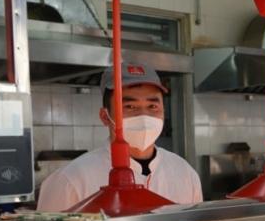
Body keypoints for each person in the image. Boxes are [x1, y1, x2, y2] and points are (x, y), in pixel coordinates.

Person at [37, 62, 202, 211]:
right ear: (105, 116)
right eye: (130, 106)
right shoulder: (70, 180)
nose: (143, 116)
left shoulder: (185, 173)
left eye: (152, 106)